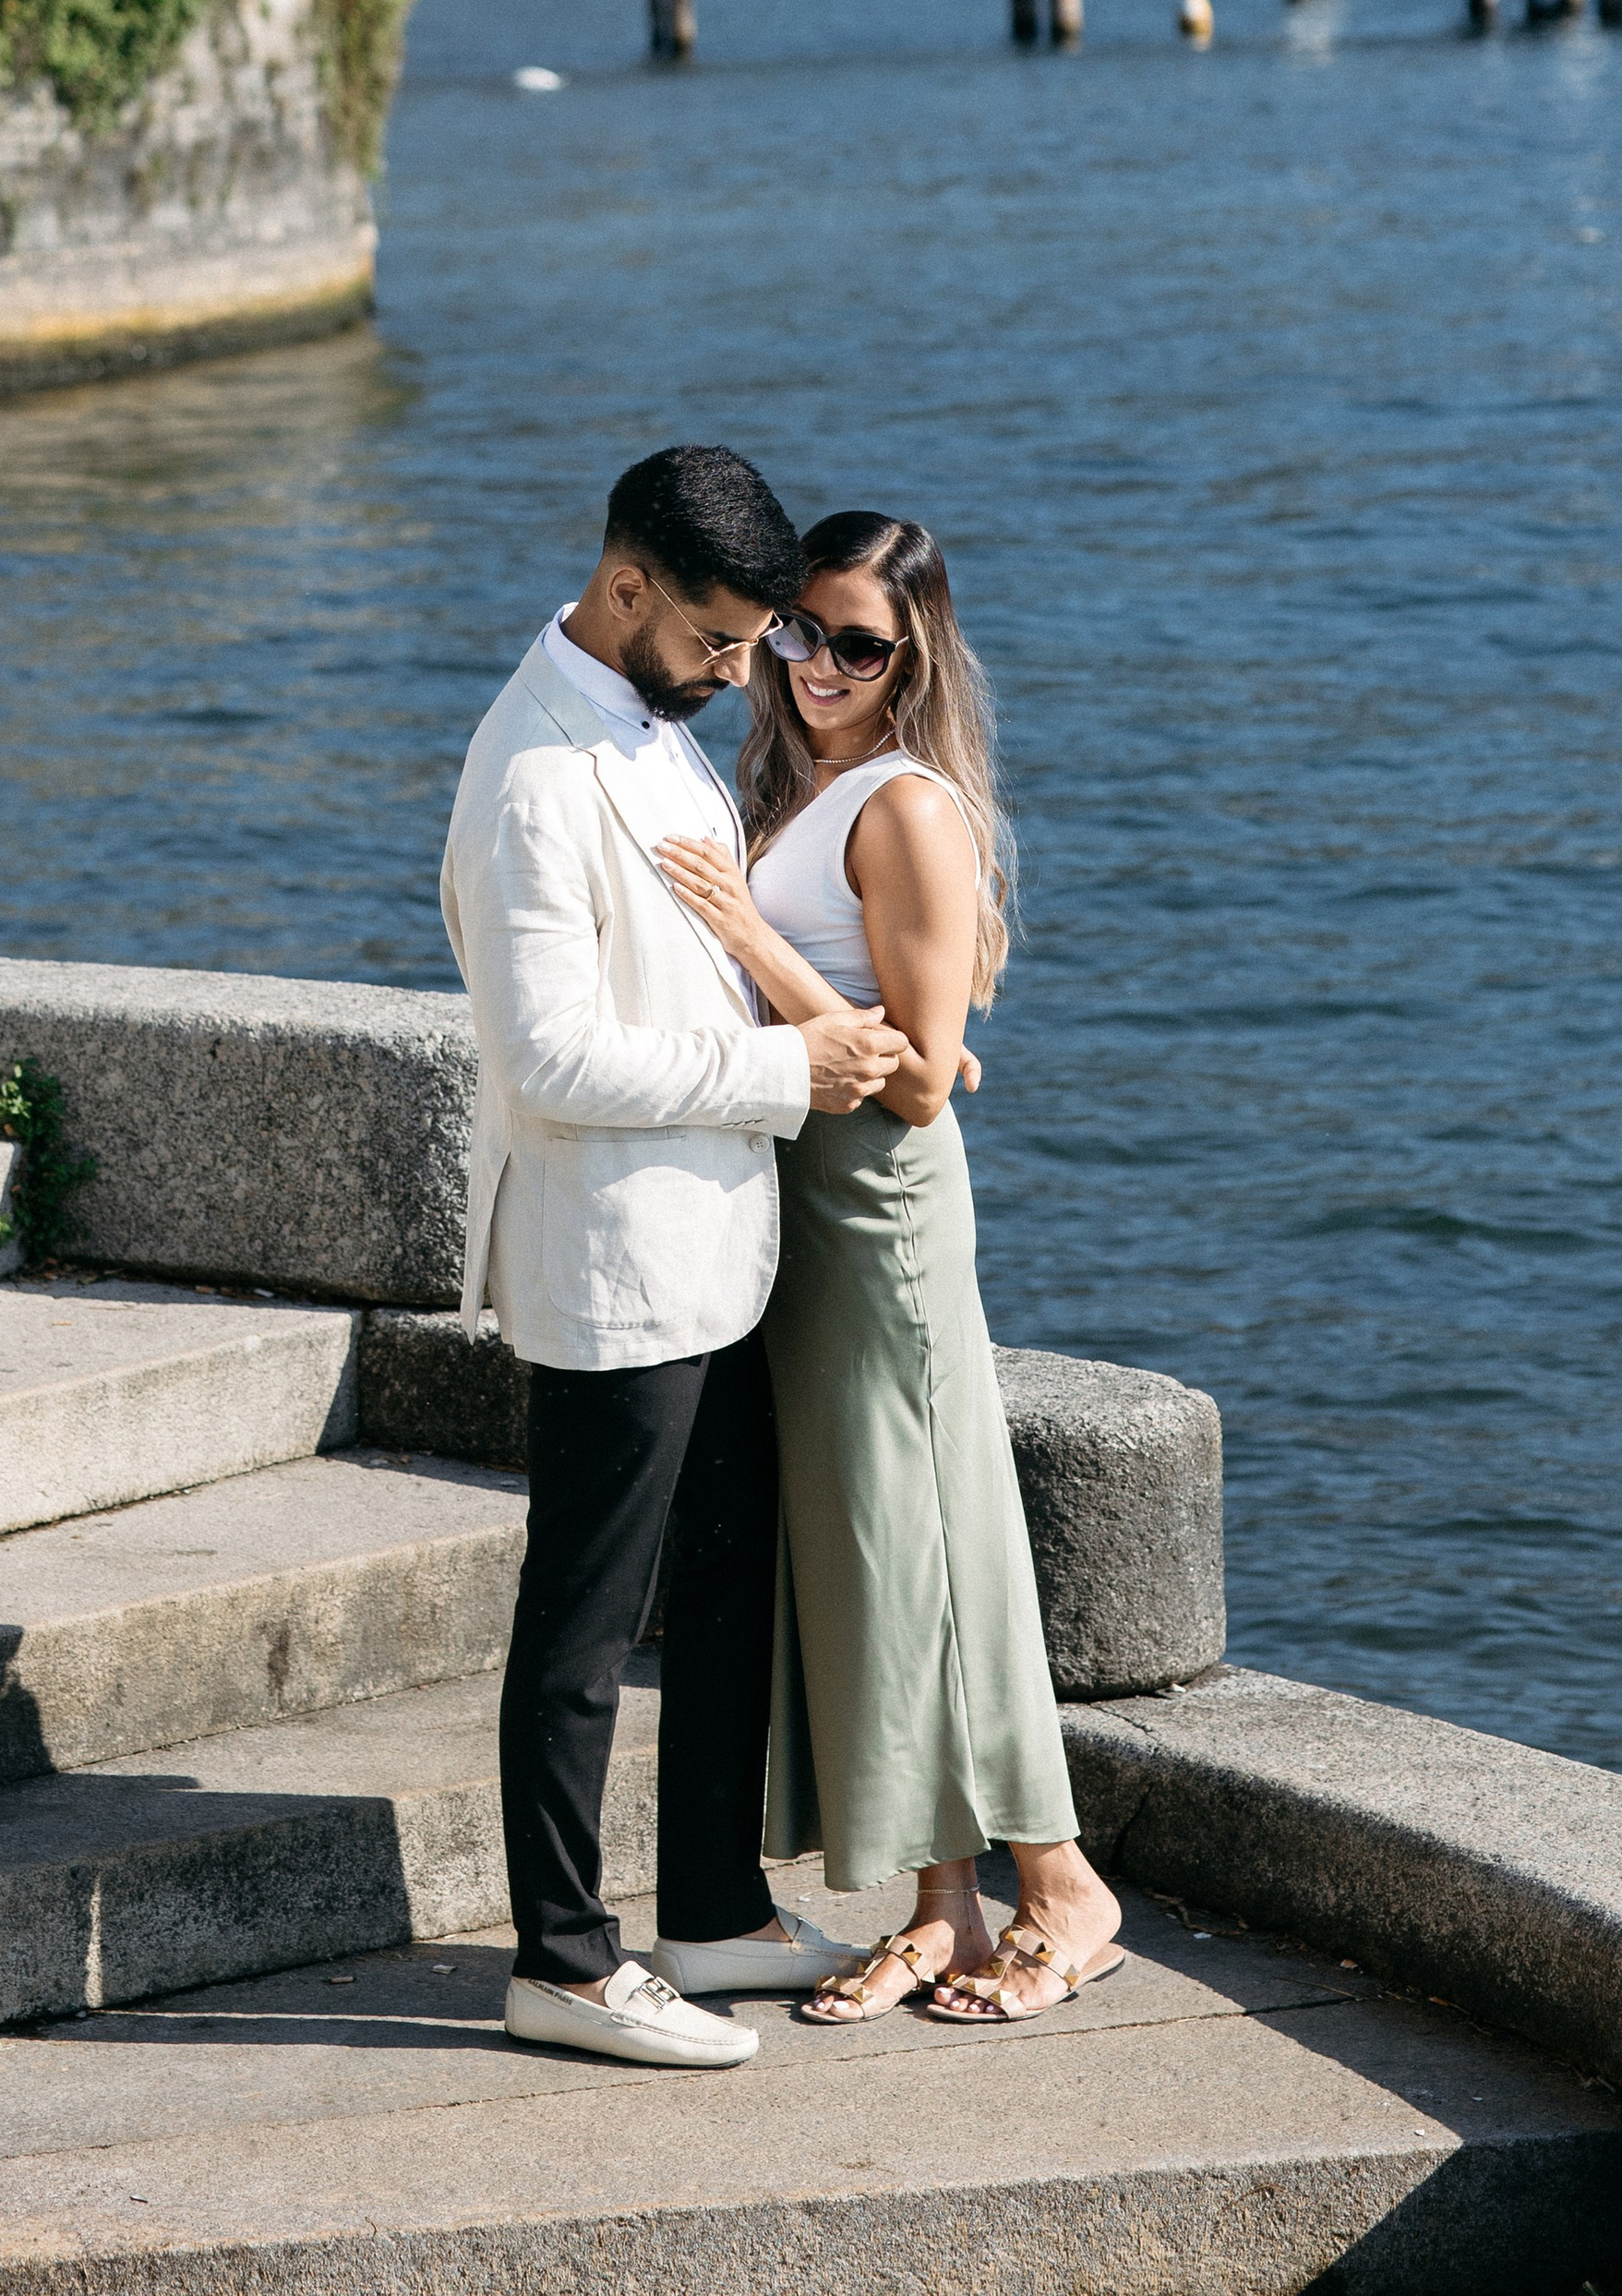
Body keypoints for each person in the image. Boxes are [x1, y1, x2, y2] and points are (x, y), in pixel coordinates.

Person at [441, 446, 908, 2071]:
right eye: (721, 641)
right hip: (611, 1257)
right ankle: (562, 1961)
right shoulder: (535, 776)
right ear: (627, 588)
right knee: (581, 1626)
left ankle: (709, 1909)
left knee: (723, 1593)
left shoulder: (654, 732)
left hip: (718, 1244)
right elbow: (548, 1060)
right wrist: (795, 1070)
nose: (742, 673)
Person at [655, 508, 1125, 2026]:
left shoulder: (907, 805)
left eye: (858, 642)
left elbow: (919, 1077)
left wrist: (747, 931)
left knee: (933, 1540)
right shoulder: (812, 784)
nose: (818, 665)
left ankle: (1063, 1887)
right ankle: (946, 1906)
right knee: (872, 1546)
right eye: (796, 631)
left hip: (879, 1215)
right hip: (807, 1204)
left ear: (914, 651)